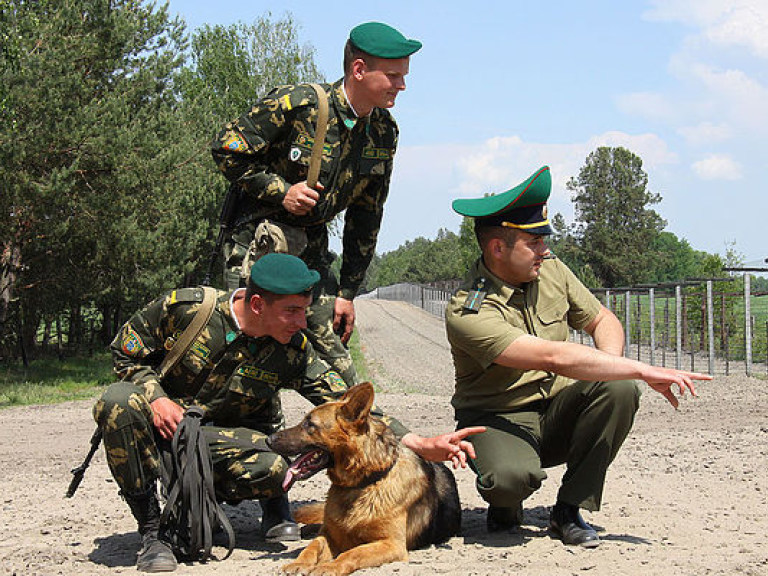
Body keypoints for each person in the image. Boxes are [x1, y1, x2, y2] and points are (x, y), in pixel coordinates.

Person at [94, 253, 482, 572]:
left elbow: (346, 403)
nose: (302, 323)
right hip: (165, 428)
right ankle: (151, 532)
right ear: (257, 304)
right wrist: (156, 396)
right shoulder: (188, 309)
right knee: (118, 402)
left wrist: (416, 441)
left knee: (275, 468)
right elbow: (123, 351)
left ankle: (212, 506)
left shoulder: (293, 349)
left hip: (219, 442)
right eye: (293, 312)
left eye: (305, 311)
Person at [444, 166, 712, 548]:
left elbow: (602, 319)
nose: (545, 249)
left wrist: (611, 371)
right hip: (498, 418)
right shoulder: (468, 310)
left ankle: (568, 510)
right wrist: (639, 368)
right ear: (497, 248)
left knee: (619, 390)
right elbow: (553, 356)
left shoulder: (551, 271)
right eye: (534, 242)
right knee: (508, 481)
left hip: (558, 410)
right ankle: (507, 500)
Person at [210, 21, 421, 388]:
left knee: (339, 370)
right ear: (359, 70)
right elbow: (227, 149)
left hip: (310, 252)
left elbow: (367, 216)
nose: (401, 85)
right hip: (255, 249)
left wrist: (348, 292)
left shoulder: (384, 131)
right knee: (244, 357)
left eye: (402, 76)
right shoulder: (298, 104)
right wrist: (281, 191)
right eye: (392, 76)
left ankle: (353, 440)